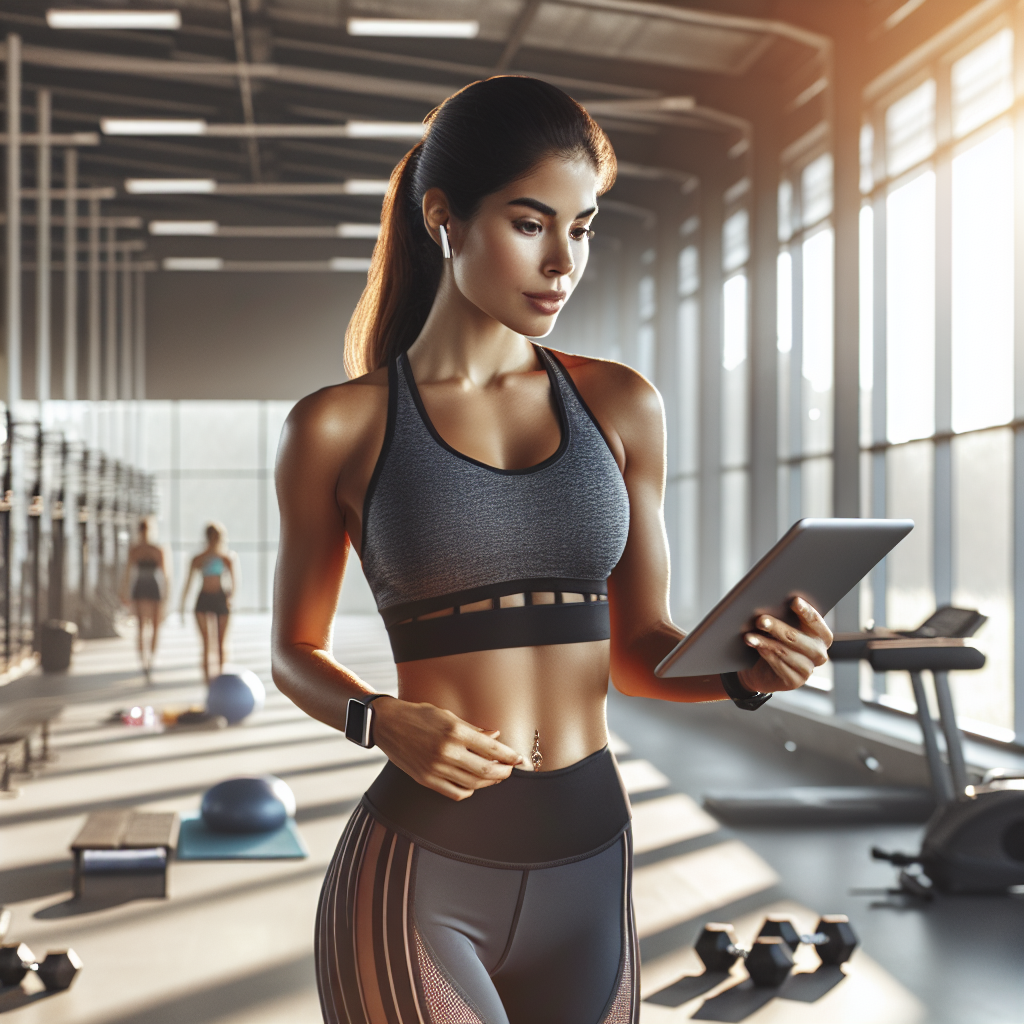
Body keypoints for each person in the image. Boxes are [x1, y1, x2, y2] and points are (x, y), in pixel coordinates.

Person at [272, 76, 831, 1024]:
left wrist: (750, 667)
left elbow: (640, 648)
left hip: (591, 857)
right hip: (420, 874)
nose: (562, 261)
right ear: (444, 216)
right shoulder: (339, 425)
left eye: (583, 227)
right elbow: (293, 650)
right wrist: (378, 719)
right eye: (532, 224)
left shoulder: (621, 405)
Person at [180, 522, 238, 684]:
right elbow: (188, 583)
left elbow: (234, 584)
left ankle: (220, 680)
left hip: (220, 599)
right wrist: (182, 606)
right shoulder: (198, 559)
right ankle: (208, 683)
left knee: (220, 643)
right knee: (207, 643)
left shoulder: (227, 558)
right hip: (204, 599)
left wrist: (230, 599)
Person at [121, 517, 169, 683]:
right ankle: (144, 662)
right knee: (142, 626)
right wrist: (125, 592)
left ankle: (152, 660)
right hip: (141, 587)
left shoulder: (158, 549)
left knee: (155, 625)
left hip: (153, 587)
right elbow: (128, 572)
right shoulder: (134, 550)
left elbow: (165, 575)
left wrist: (166, 597)